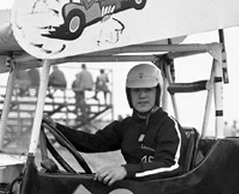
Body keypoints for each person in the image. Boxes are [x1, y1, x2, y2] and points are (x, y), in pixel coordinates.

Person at [47, 63, 185, 186]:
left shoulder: (168, 126)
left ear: (157, 92)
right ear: (129, 94)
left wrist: (125, 170)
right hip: (134, 190)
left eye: (148, 89)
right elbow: (93, 142)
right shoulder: (125, 126)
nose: (142, 95)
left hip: (160, 192)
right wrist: (57, 128)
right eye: (136, 90)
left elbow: (170, 166)